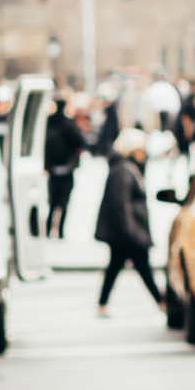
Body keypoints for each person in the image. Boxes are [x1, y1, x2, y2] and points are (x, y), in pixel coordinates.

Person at [95, 129, 162, 315]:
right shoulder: (124, 170)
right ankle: (161, 301)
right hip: (129, 232)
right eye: (141, 149)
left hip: (127, 232)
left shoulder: (125, 168)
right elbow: (120, 204)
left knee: (116, 267)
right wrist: (131, 232)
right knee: (142, 268)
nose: (144, 153)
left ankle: (102, 303)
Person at [44, 94, 85, 238]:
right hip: (61, 170)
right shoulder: (65, 124)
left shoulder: (52, 123)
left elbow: (79, 143)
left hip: (61, 169)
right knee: (60, 203)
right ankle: (57, 230)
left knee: (55, 203)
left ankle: (54, 230)